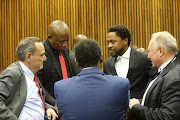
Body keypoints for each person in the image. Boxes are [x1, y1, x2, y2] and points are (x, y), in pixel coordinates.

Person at [54, 39, 130, 120]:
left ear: (76, 62)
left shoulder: (60, 87)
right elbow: (126, 111)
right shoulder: (122, 84)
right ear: (101, 57)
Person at [0, 37, 58, 120]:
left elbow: (34, 100)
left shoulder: (32, 74)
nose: (45, 58)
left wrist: (48, 108)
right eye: (41, 55)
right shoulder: (13, 73)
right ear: (29, 57)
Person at [129, 31, 180, 120]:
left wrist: (136, 107)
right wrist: (139, 102)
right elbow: (156, 100)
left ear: (160, 51)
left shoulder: (174, 78)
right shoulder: (164, 70)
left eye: (149, 52)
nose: (148, 56)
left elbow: (167, 116)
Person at [104, 25, 155, 99]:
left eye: (113, 42)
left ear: (125, 41)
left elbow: (152, 84)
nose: (109, 45)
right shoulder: (107, 63)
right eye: (108, 42)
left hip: (139, 107)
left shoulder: (143, 59)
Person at [37, 20, 73, 104]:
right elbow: (39, 85)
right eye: (61, 41)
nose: (65, 44)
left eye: (67, 40)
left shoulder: (65, 49)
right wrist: (54, 103)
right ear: (50, 37)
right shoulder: (41, 52)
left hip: (68, 100)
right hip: (51, 104)